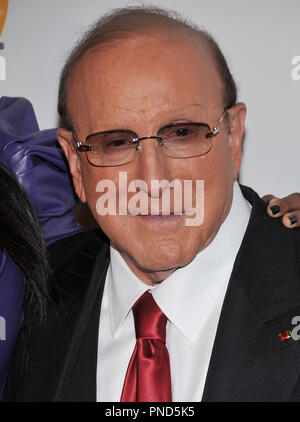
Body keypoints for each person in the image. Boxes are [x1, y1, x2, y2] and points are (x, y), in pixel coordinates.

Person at [7, 6, 300, 402]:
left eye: (181, 133)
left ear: (232, 136)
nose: (154, 180)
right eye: (116, 142)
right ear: (75, 164)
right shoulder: (34, 295)